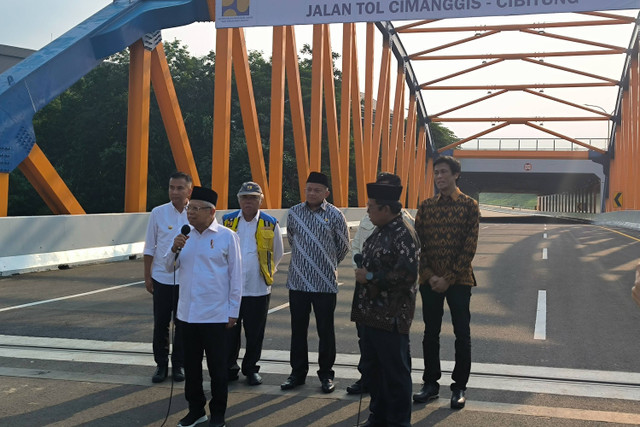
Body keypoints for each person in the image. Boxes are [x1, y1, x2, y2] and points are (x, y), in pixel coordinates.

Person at [165, 186, 243, 427]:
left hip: (216, 315)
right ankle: (196, 410)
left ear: (212, 212)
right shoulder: (182, 234)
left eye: (197, 209)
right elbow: (169, 267)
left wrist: (233, 312)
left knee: (218, 369)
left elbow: (236, 277)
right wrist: (174, 248)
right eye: (190, 208)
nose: (191, 213)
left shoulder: (227, 237)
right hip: (187, 314)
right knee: (191, 367)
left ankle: (218, 413)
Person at [413, 155, 480, 410]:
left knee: (462, 334)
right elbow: (419, 246)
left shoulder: (469, 206)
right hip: (430, 281)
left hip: (460, 280)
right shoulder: (426, 207)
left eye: (443, 172)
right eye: (436, 173)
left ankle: (459, 386)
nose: (439, 177)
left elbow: (469, 246)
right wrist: (430, 276)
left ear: (455, 175)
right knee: (430, 333)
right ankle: (430, 384)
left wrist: (449, 278)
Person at [351, 181, 420, 427]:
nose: (368, 211)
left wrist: (369, 277)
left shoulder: (403, 233)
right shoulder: (380, 229)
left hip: (391, 316)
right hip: (370, 314)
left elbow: (407, 276)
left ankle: (399, 421)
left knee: (395, 374)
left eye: (371, 207)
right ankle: (377, 417)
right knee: (374, 370)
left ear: (387, 208)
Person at [280, 171, 350, 394]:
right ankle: (297, 374)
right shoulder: (294, 213)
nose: (312, 193)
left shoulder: (335, 215)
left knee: (325, 331)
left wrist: (325, 263)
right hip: (298, 281)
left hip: (325, 283)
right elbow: (292, 239)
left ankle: (326, 375)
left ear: (326, 193)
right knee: (297, 330)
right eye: (309, 189)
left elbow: (343, 246)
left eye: (317, 190)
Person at [222, 181, 284, 386]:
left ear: (260, 201)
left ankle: (251, 368)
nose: (248, 201)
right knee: (229, 330)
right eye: (245, 198)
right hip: (231, 288)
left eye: (253, 198)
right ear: (239, 199)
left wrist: (266, 273)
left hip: (258, 288)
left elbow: (278, 252)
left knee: (255, 332)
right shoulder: (227, 221)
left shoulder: (269, 222)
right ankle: (229, 367)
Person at [143, 171, 192, 384]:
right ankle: (161, 365)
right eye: (172, 187)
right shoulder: (158, 213)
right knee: (161, 324)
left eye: (180, 188)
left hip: (188, 279)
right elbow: (149, 247)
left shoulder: (197, 212)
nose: (175, 192)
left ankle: (179, 365)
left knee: (183, 324)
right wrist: (148, 276)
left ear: (189, 190)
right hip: (162, 277)